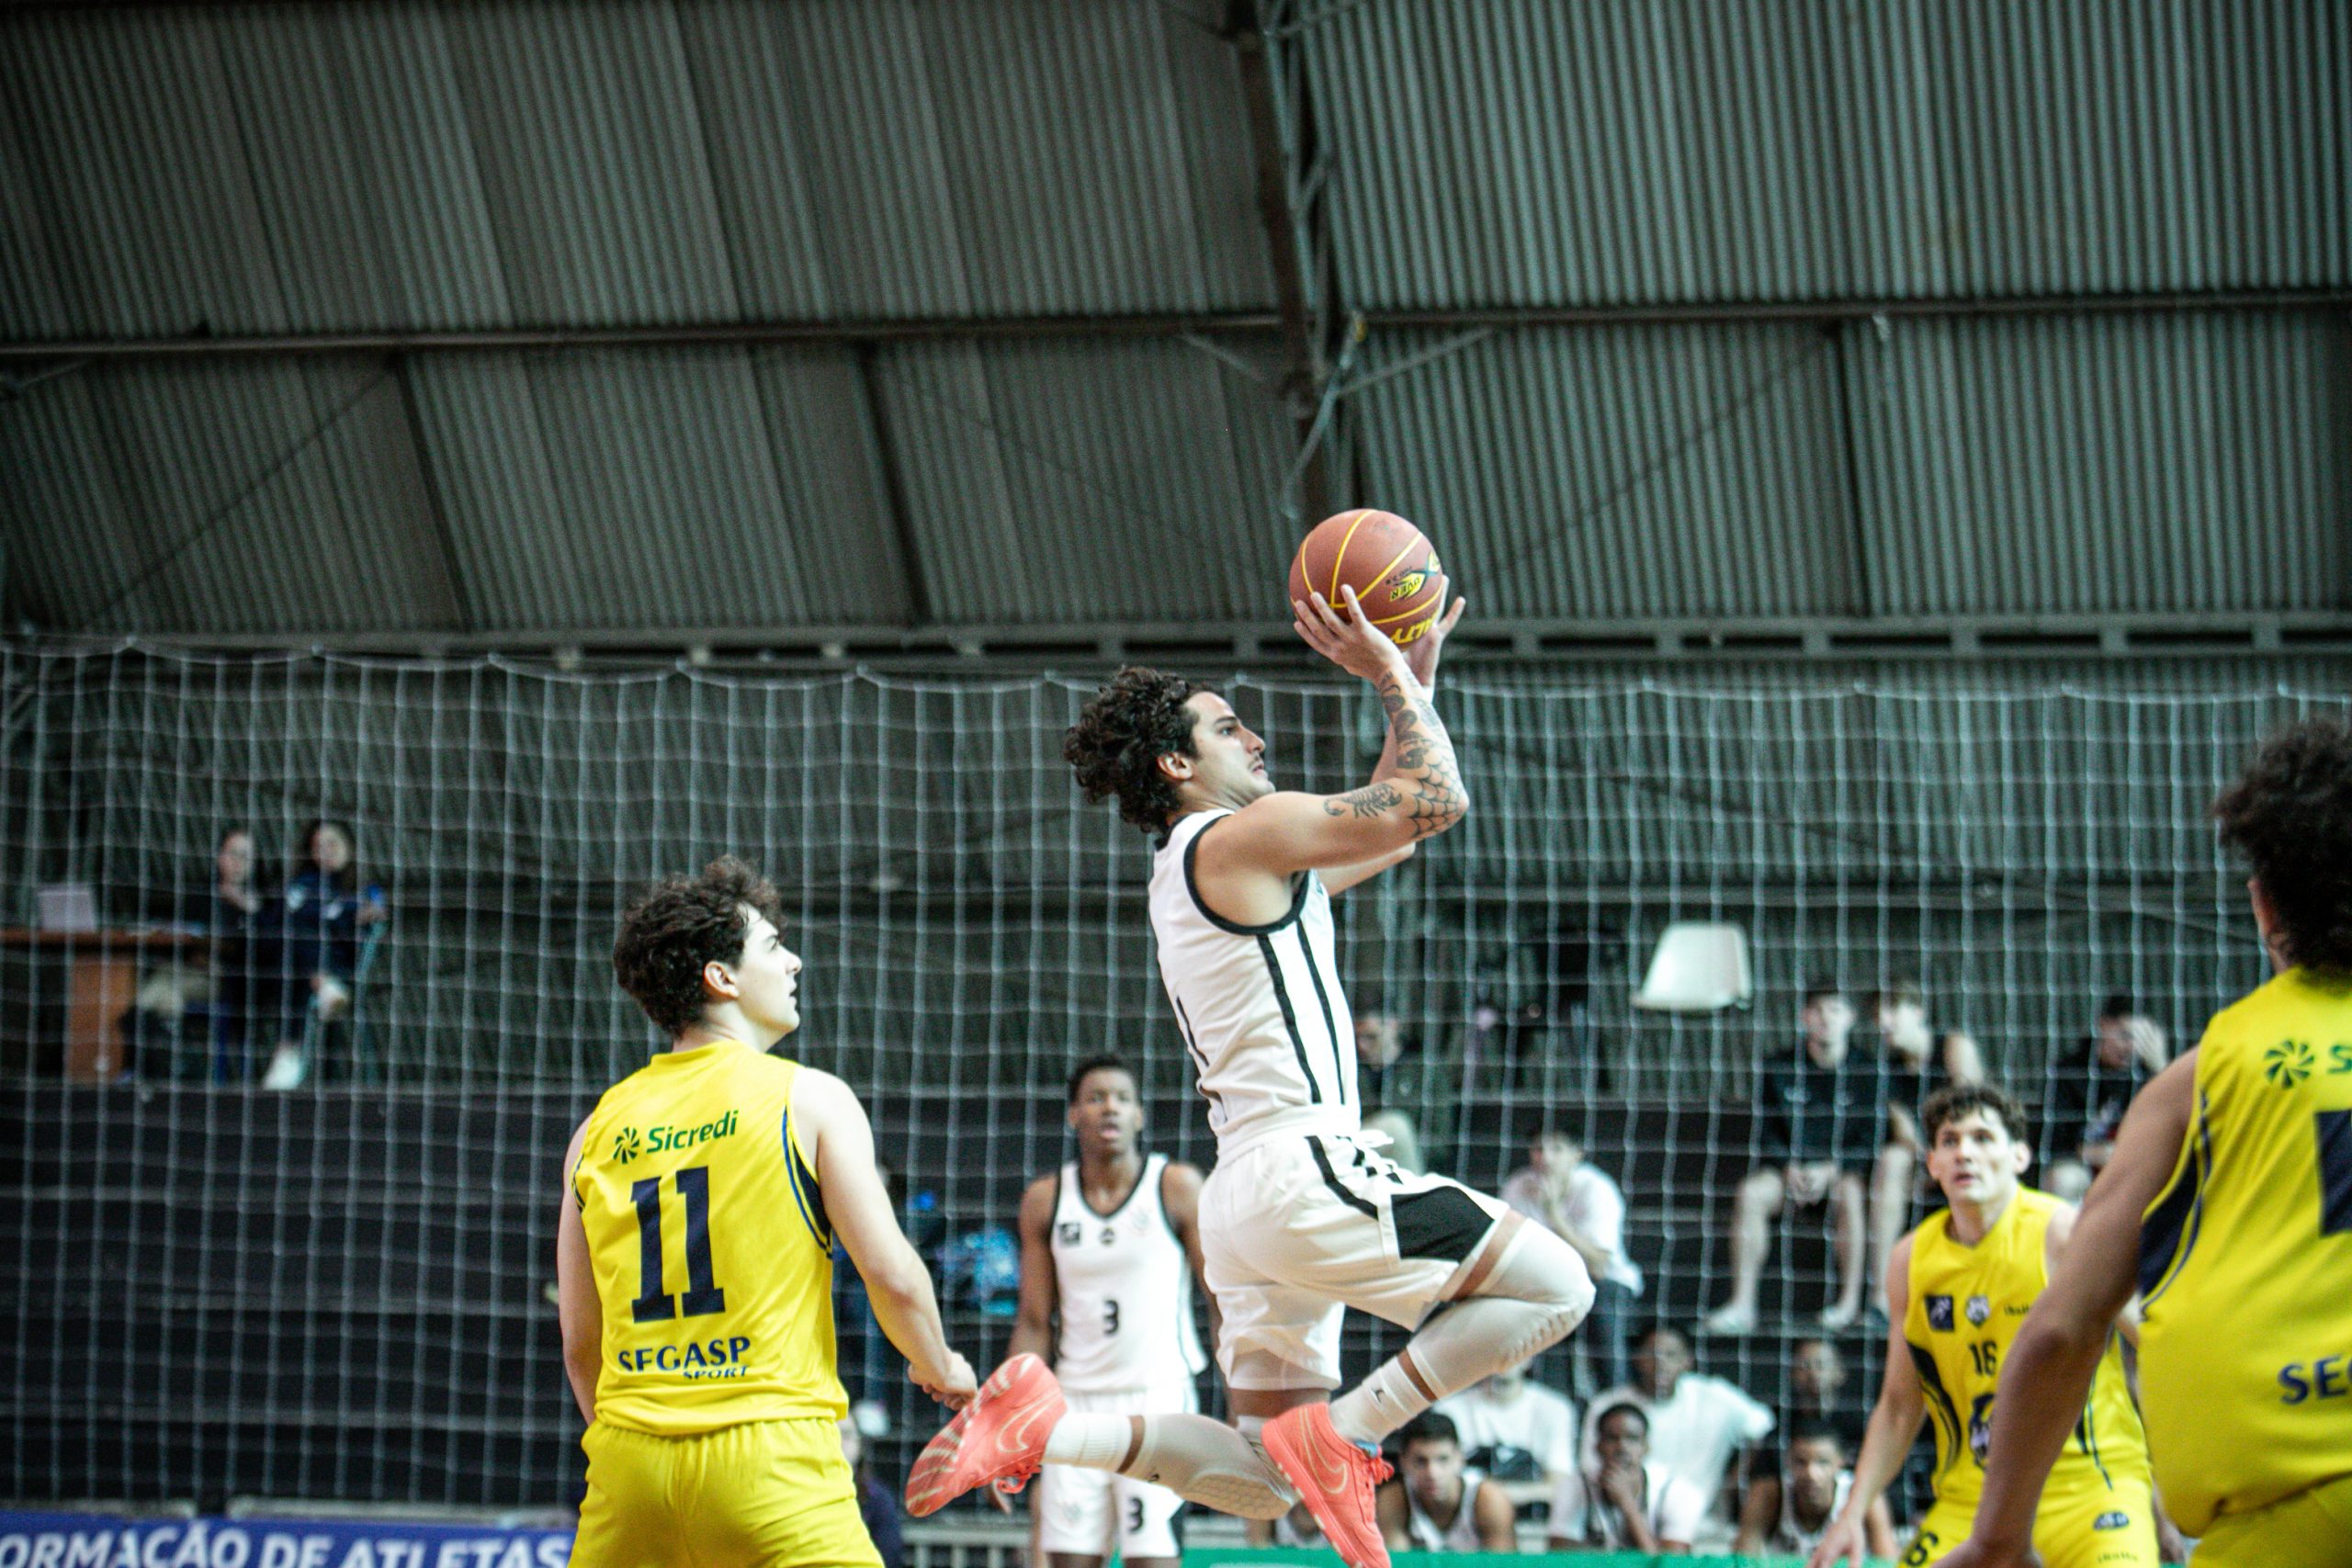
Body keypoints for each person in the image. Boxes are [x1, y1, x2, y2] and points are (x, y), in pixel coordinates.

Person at [908, 586, 1598, 1568]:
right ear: (1177, 763)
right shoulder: (1241, 834)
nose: (1257, 739)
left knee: (1264, 1478)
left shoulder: (1202, 866)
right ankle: (1351, 1431)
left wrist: (1417, 682)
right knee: (1560, 1286)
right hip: (1303, 1167)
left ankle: (1048, 1432)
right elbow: (1439, 799)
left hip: (1247, 1197)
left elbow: (1400, 824)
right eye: (1229, 728)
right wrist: (1387, 672)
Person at [1946, 716, 2352, 1568]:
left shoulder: (2203, 1078)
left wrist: (1996, 1537)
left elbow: (2063, 1328)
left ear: (2263, 904)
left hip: (2290, 1513)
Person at [556, 856, 978, 1568]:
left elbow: (579, 1342)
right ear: (720, 978)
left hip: (630, 1472)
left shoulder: (595, 1129)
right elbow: (893, 1275)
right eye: (773, 945)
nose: (794, 960)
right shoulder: (808, 1098)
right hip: (771, 1462)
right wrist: (942, 1364)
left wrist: (633, 1443)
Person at [1807, 1084, 2161, 1568]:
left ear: (2020, 1155)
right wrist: (1851, 1512)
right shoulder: (1911, 1260)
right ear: (1933, 1164)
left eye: (1982, 1138)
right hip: (1974, 1504)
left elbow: (2156, 1342)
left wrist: (2171, 1473)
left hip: (2090, 1495)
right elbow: (1898, 1407)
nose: (1964, 1153)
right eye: (1950, 1141)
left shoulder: (2062, 1232)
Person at [1002, 1055, 1214, 1568]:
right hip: (1076, 1402)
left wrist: (1242, 1404)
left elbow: (1220, 1300)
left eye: (1122, 1098)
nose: (1110, 1108)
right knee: (1068, 1559)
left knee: (1152, 1560)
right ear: (1073, 1115)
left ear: (1139, 1115)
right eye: (1095, 1098)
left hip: (1158, 1398)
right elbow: (1033, 1321)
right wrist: (1007, 1420)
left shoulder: (1178, 1187)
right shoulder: (1045, 1199)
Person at [1704, 986, 1893, 1332]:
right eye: (1817, 1010)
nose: (1826, 1019)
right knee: (1751, 1193)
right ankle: (1742, 1305)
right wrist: (1787, 1166)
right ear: (1805, 1017)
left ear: (1850, 1019)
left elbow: (1872, 1137)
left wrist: (1832, 1169)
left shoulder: (1869, 1071)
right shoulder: (1779, 1067)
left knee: (1851, 1193)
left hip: (1838, 1175)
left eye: (1835, 1010)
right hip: (1788, 1174)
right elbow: (1764, 1130)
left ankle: (1848, 1304)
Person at [1581, 1323, 1772, 1537]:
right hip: (1621, 1525)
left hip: (1703, 1527)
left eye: (1671, 1354)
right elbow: (1590, 1467)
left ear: (1687, 1361)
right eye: (1652, 1354)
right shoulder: (1607, 1405)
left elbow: (1764, 1426)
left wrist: (1735, 1479)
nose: (1660, 1363)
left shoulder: (1714, 1397)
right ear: (1636, 1358)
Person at [1869, 980, 1986, 1318]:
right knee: (1892, 1159)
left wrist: (1942, 1159)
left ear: (1918, 1012)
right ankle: (1881, 1297)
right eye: (1878, 1015)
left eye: (1893, 1010)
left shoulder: (1953, 1046)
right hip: (1928, 1162)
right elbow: (1905, 1133)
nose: (1883, 1022)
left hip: (1971, 1153)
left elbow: (1972, 1117)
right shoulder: (1887, 1069)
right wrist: (1928, 1164)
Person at [1499, 1130, 1642, 1393]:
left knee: (1600, 1303)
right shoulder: (1518, 1185)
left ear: (1577, 1155)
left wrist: (1554, 1214)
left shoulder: (1597, 1188)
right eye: (1538, 1149)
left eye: (1557, 1149)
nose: (1545, 1158)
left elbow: (1598, 1265)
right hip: (1543, 1286)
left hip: (1604, 1284)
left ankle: (1615, 1397)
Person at [262, 818, 386, 1089]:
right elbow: (279, 920)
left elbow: (366, 922)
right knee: (295, 939)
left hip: (340, 965)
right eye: (318, 846)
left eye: (332, 843)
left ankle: (288, 1050)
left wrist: (346, 919)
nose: (325, 851)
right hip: (292, 966)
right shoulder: (303, 883)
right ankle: (321, 984)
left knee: (302, 942)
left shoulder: (364, 889)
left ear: (349, 846)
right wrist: (339, 917)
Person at [2039, 994, 2168, 1204]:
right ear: (2103, 1026)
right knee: (2062, 1179)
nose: (2130, 1046)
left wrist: (2161, 1068)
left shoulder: (2148, 1074)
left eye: (2140, 1040)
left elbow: (2175, 1125)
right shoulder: (2069, 1072)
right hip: (2084, 1169)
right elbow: (2051, 1143)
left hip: (2135, 1168)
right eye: (2125, 1035)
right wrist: (2094, 1153)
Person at [1548, 1400, 1703, 1555]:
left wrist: (1627, 1503)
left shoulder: (1678, 1493)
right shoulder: (1574, 1487)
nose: (1622, 1447)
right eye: (1611, 1438)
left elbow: (1671, 1564)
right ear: (1597, 1446)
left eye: (1632, 1439)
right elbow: (1559, 1555)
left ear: (1646, 1447)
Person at [1736, 1421, 1893, 1559]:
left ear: (1840, 1463)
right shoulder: (1770, 1494)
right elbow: (1743, 1558)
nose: (1811, 1474)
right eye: (1801, 1462)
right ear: (1788, 1461)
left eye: (1822, 1463)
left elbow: (1888, 1560)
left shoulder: (1860, 1495)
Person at [1433, 1364, 1576, 1504]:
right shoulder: (1448, 1411)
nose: (1504, 1356)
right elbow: (1440, 1484)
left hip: (1534, 1516)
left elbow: (1560, 1488)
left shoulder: (1555, 1409)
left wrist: (1490, 1498)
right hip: (1467, 1515)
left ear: (1529, 1358)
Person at [1376, 1412, 1517, 1552]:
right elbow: (1393, 1561)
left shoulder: (1489, 1500)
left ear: (1460, 1458)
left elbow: (1502, 1562)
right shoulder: (1393, 1500)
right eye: (1421, 1461)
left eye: (1443, 1459)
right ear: (1403, 1461)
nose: (1432, 1473)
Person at [839, 1419, 904, 1568]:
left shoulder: (878, 1498)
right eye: (832, 1434)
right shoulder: (805, 1492)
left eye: (846, 1434)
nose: (839, 1441)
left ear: (860, 1443)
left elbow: (888, 1557)